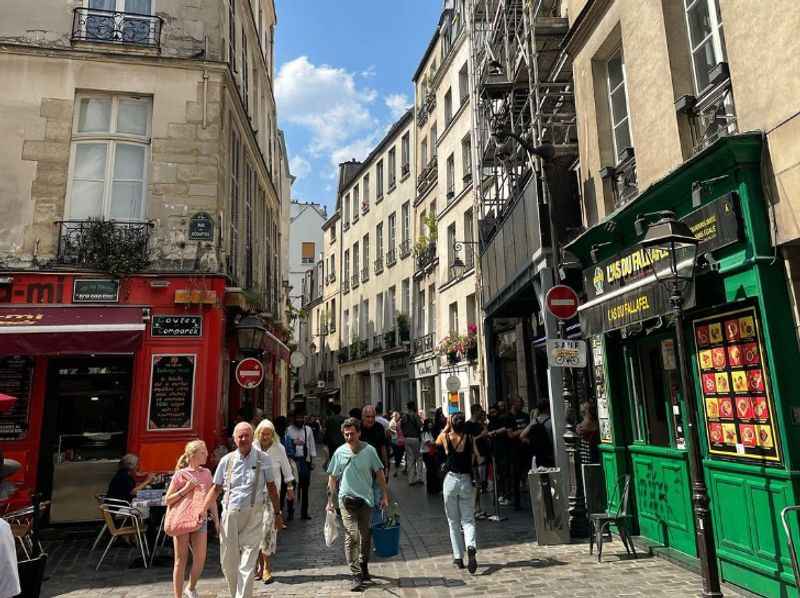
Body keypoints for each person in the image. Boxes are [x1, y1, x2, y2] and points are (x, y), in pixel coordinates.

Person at [203, 422, 282, 598]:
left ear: (252, 436)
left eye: (247, 435)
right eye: (240, 436)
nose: (244, 439)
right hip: (230, 513)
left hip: (254, 514)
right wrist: (202, 511)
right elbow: (216, 489)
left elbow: (272, 488)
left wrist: (277, 513)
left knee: (248, 561)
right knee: (228, 562)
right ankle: (234, 594)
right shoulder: (227, 460)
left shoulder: (263, 458)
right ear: (234, 439)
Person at [326, 417, 390, 592]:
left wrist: (385, 495)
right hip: (346, 500)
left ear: (359, 433)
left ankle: (363, 563)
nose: (348, 437)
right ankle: (355, 574)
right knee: (351, 536)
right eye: (345, 434)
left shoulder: (369, 451)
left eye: (352, 434)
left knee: (365, 535)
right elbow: (332, 478)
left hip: (366, 500)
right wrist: (330, 500)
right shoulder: (339, 452)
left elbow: (379, 473)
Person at [165, 440, 217, 598]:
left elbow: (212, 497)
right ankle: (178, 596)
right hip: (182, 520)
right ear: (193, 455)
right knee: (181, 560)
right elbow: (167, 500)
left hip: (200, 519)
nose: (206, 454)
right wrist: (186, 489)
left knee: (200, 558)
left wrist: (216, 520)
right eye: (203, 452)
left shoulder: (206, 473)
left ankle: (191, 586)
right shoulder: (180, 475)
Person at [436, 412, 480, 574]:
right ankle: (471, 546)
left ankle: (458, 556)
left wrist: (446, 427)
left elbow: (436, 442)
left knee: (453, 521)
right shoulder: (469, 438)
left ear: (452, 423)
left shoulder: (447, 437)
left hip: (451, 480)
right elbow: (478, 456)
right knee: (468, 519)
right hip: (466, 480)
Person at [253, 420, 295, 584]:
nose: (265, 437)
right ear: (258, 434)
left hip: (272, 496)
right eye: (262, 434)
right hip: (253, 496)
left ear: (272, 435)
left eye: (268, 434)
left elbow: (286, 469)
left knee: (267, 530)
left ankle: (266, 568)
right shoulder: (252, 447)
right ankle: (258, 564)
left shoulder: (279, 448)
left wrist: (290, 487)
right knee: (255, 531)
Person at [285, 409, 316, 520]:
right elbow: (286, 445)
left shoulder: (308, 430)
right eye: (297, 418)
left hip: (304, 461)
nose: (299, 420)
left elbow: (312, 445)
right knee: (291, 487)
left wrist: (312, 461)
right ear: (293, 419)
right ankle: (290, 511)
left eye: (301, 418)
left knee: (305, 488)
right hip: (292, 462)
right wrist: (293, 442)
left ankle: (304, 512)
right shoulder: (288, 430)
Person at [507, 397, 531, 510]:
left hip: (526, 449)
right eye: (519, 403)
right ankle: (516, 502)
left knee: (527, 474)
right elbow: (510, 435)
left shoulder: (525, 416)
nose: (521, 405)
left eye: (522, 403)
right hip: (514, 450)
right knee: (515, 476)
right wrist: (523, 431)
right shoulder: (508, 417)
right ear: (513, 404)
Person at [522, 399, 555, 468]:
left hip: (538, 455)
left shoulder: (534, 421)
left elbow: (522, 436)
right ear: (547, 408)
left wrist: (532, 443)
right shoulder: (551, 421)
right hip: (550, 454)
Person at [400, 400, 423, 485]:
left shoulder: (404, 416)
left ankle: (411, 479)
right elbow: (420, 425)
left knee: (410, 459)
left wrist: (405, 433)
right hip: (415, 438)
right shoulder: (415, 415)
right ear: (413, 407)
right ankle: (419, 477)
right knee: (419, 458)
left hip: (407, 438)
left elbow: (401, 426)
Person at [421, 416, 442, 495]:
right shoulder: (425, 433)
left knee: (433, 470)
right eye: (429, 423)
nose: (430, 424)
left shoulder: (431, 432)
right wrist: (438, 442)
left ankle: (434, 488)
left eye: (431, 423)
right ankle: (431, 489)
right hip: (427, 453)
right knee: (430, 471)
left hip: (432, 453)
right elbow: (428, 443)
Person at [323, 403, 346, 468]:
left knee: (333, 458)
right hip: (342, 441)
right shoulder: (344, 419)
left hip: (332, 442)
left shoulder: (329, 420)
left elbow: (327, 431)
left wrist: (325, 441)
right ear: (340, 410)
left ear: (333, 411)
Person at [388, 411, 405, 477]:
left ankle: (397, 469)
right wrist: (395, 432)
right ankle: (397, 469)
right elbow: (390, 430)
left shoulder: (397, 422)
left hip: (398, 441)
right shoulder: (393, 422)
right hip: (396, 441)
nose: (397, 417)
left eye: (397, 415)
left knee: (398, 455)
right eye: (395, 416)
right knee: (398, 455)